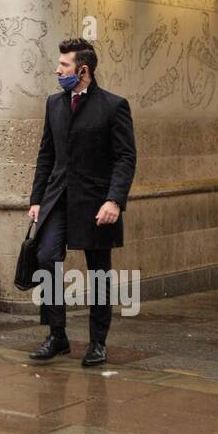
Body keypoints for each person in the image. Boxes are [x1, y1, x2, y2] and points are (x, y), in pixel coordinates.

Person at [27, 37, 136, 367]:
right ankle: (57, 335)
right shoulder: (54, 104)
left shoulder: (113, 106)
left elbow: (125, 157)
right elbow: (46, 154)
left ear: (83, 70)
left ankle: (97, 342)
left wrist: (114, 200)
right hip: (58, 199)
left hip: (95, 203)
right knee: (46, 258)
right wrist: (36, 199)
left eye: (64, 65)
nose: (58, 70)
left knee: (99, 272)